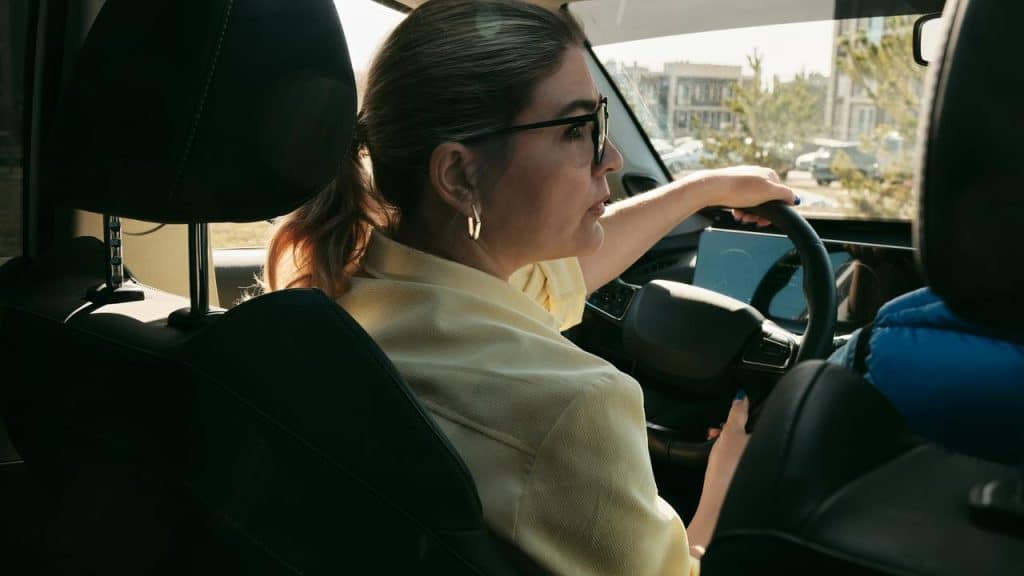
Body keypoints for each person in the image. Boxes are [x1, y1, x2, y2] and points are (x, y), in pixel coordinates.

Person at [263, 1, 797, 574]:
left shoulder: (337, 296)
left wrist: (699, 189)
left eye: (601, 121)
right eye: (575, 129)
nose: (610, 157)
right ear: (458, 174)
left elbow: (562, 276)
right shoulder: (573, 405)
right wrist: (726, 493)